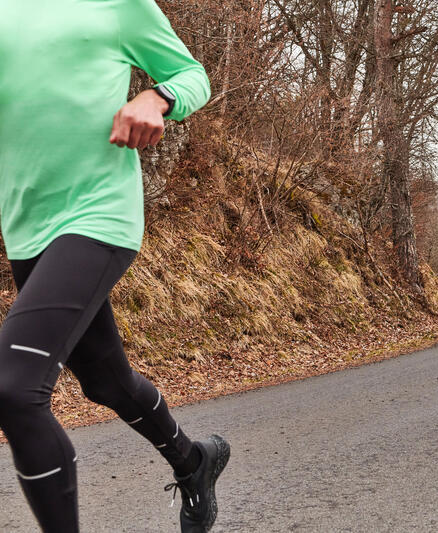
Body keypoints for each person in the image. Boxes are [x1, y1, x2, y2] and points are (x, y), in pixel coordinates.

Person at [0, 1, 229, 531]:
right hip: (25, 225)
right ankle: (194, 461)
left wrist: (158, 95)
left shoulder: (120, 5)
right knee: (106, 381)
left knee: (13, 387)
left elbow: (192, 75)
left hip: (98, 214)